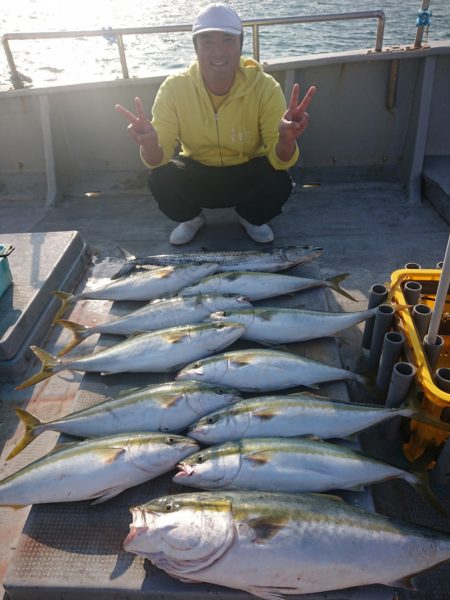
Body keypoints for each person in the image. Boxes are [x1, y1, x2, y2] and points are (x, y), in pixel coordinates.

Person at [115, 3, 316, 245]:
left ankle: (250, 217)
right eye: (207, 41)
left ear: (240, 45)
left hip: (247, 168)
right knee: (160, 177)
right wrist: (148, 144)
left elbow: (279, 159)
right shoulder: (174, 88)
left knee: (280, 180)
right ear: (196, 47)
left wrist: (286, 140)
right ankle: (192, 219)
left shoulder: (265, 86)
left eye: (228, 41)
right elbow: (160, 157)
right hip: (198, 170)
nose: (218, 51)